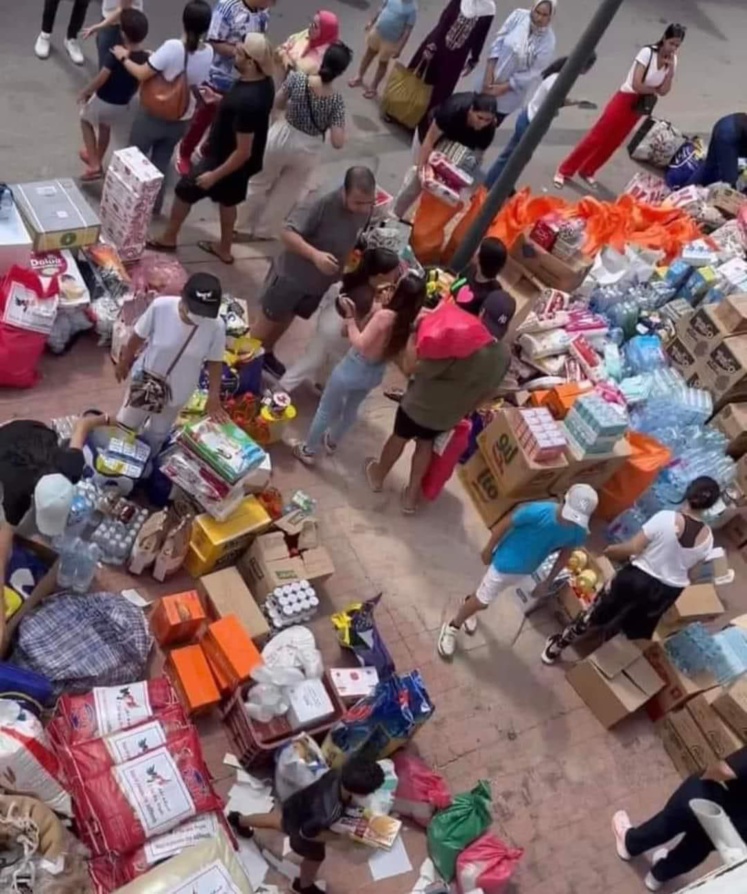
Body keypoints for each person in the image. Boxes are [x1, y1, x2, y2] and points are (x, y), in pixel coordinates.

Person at [541, 476, 719, 665]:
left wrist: (610, 551)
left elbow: (633, 548)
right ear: (710, 506)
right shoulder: (708, 538)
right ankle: (596, 662)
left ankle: (556, 648)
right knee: (629, 624)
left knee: (593, 613)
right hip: (667, 593)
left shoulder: (666, 518)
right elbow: (692, 575)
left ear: (688, 492)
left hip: (637, 579)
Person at [365, 296, 511, 514]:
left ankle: (378, 475)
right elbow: (490, 392)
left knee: (399, 437)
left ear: (481, 313)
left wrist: (414, 333)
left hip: (419, 405)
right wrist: (466, 409)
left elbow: (412, 366)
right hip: (449, 416)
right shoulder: (504, 356)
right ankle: (410, 497)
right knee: (425, 445)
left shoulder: (463, 341)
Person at [147, 34, 275, 265]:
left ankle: (169, 237)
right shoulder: (262, 83)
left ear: (251, 62)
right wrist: (220, 101)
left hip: (225, 159)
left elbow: (242, 150)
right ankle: (224, 249)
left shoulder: (248, 102)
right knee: (228, 201)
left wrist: (213, 175)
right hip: (239, 162)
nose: (234, 51)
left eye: (240, 52)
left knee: (184, 190)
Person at [438, 484, 597, 658]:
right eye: (569, 514)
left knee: (484, 596)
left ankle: (469, 603)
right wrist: (488, 548)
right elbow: (506, 523)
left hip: (526, 568)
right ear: (564, 500)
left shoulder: (577, 532)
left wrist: (548, 581)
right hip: (504, 561)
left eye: (576, 518)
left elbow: (565, 554)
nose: (570, 521)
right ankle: (452, 626)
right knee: (483, 601)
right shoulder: (538, 511)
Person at [253, 166, 376, 380]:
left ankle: (267, 352)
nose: (364, 209)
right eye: (358, 203)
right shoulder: (321, 202)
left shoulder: (365, 207)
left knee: (289, 316)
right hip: (291, 275)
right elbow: (286, 233)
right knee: (267, 321)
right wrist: (315, 256)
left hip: (318, 282)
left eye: (369, 203)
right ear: (344, 192)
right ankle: (238, 364)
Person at [293, 272, 425, 464]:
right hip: (375, 372)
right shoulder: (410, 322)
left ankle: (308, 450)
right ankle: (332, 440)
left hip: (354, 366)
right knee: (351, 408)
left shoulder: (385, 316)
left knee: (326, 409)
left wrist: (349, 319)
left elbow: (360, 342)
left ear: (399, 292)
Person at [235, 42, 352, 242]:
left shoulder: (297, 79)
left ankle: (239, 225)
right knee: (286, 193)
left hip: (282, 133)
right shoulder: (336, 101)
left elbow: (277, 103)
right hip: (308, 148)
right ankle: (264, 231)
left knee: (258, 181)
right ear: (340, 72)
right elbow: (338, 142)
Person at [554, 23, 686, 190]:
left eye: (677, 46)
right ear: (665, 38)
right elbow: (637, 84)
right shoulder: (648, 53)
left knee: (614, 141)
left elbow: (665, 91)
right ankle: (564, 170)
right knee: (597, 136)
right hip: (625, 98)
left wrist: (671, 71)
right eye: (672, 43)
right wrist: (654, 90)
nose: (673, 48)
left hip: (639, 106)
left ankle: (588, 170)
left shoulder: (672, 60)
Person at [113, 0, 214, 215]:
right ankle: (153, 206)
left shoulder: (173, 47)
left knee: (134, 157)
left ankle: (126, 204)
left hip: (154, 115)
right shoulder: (209, 52)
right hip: (183, 117)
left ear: (183, 21)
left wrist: (123, 58)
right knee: (161, 161)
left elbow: (141, 73)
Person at [228, 757, 385, 894]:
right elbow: (308, 833)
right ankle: (303, 886)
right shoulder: (329, 812)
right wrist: (340, 837)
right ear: (361, 793)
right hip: (305, 829)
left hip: (297, 806)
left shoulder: (337, 773)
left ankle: (238, 820)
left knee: (278, 821)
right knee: (316, 858)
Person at [115, 273, 228, 451]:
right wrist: (125, 361)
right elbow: (138, 335)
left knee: (157, 434)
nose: (199, 316)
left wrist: (214, 397)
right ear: (183, 296)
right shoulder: (161, 307)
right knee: (127, 424)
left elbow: (215, 362)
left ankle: (147, 465)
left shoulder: (216, 326)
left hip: (178, 390)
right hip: (147, 383)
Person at [612, 747, 747, 891]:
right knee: (700, 845)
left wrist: (705, 775)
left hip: (714, 797)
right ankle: (658, 876)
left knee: (671, 821)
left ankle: (630, 844)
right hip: (737, 827)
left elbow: (726, 771)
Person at [279, 247, 401, 393]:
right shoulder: (366, 297)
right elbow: (348, 330)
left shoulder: (357, 280)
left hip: (329, 317)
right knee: (315, 360)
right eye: (394, 271)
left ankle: (319, 383)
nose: (397, 274)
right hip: (336, 330)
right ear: (381, 275)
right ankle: (281, 389)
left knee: (318, 357)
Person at [175, 0, 273, 177]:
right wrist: (240, 53)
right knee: (203, 118)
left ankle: (207, 149)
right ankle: (185, 152)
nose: (271, 5)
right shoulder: (228, 7)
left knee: (225, 120)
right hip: (217, 76)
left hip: (243, 79)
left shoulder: (263, 13)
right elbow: (213, 41)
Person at [484, 52, 597, 188]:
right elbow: (554, 101)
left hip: (527, 117)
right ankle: (492, 186)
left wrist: (575, 102)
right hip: (531, 125)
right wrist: (563, 107)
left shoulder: (559, 75)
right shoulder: (560, 80)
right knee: (515, 159)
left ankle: (501, 184)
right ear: (585, 66)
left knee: (511, 156)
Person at [394, 91, 498, 219]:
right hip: (434, 132)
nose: (482, 123)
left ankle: (420, 219)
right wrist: (422, 169)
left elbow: (477, 156)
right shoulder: (453, 109)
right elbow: (430, 139)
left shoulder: (489, 129)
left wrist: (458, 178)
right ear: (471, 110)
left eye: (487, 120)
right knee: (416, 183)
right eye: (479, 118)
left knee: (442, 189)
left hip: (459, 143)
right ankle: (395, 213)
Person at [78, 8, 150, 181]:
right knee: (105, 127)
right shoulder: (145, 56)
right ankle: (96, 157)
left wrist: (85, 91)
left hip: (105, 100)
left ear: (123, 34)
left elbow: (102, 78)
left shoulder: (116, 54)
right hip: (123, 104)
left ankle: (94, 164)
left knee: (84, 120)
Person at [406, 0, 495, 131]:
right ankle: (402, 113)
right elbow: (444, 19)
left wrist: (474, 59)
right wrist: (432, 45)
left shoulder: (488, 9)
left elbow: (481, 36)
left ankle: (421, 127)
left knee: (440, 92)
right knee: (419, 79)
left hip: (456, 57)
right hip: (437, 44)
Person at [478, 1, 557, 132]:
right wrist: (489, 73)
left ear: (550, 16)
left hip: (508, 94)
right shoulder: (518, 16)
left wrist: (503, 88)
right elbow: (499, 40)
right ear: (533, 8)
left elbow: (534, 72)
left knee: (486, 128)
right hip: (488, 81)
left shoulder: (548, 41)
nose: (539, 18)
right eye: (537, 12)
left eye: (545, 15)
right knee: (471, 119)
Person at [349, 0, 418, 100]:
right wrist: (371, 22)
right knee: (368, 54)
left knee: (383, 63)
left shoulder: (412, 9)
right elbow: (381, 9)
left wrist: (400, 48)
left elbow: (407, 30)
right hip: (377, 31)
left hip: (391, 40)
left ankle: (373, 87)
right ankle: (359, 76)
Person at [454, 236, 515, 330]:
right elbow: (455, 283)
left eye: (478, 249)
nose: (475, 250)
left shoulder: (493, 295)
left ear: (480, 258)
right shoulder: (471, 270)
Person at [688, 113, 747, 188]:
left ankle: (686, 189)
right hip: (729, 135)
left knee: (710, 166)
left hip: (724, 124)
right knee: (730, 180)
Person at [82, 1, 146, 68]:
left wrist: (98, 26)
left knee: (108, 65)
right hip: (110, 16)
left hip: (119, 23)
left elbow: (123, 9)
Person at [277, 9, 340, 76]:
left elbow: (299, 73)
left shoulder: (325, 56)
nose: (310, 26)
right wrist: (284, 53)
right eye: (311, 22)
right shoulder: (307, 33)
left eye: (315, 26)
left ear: (325, 32)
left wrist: (286, 57)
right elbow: (281, 48)